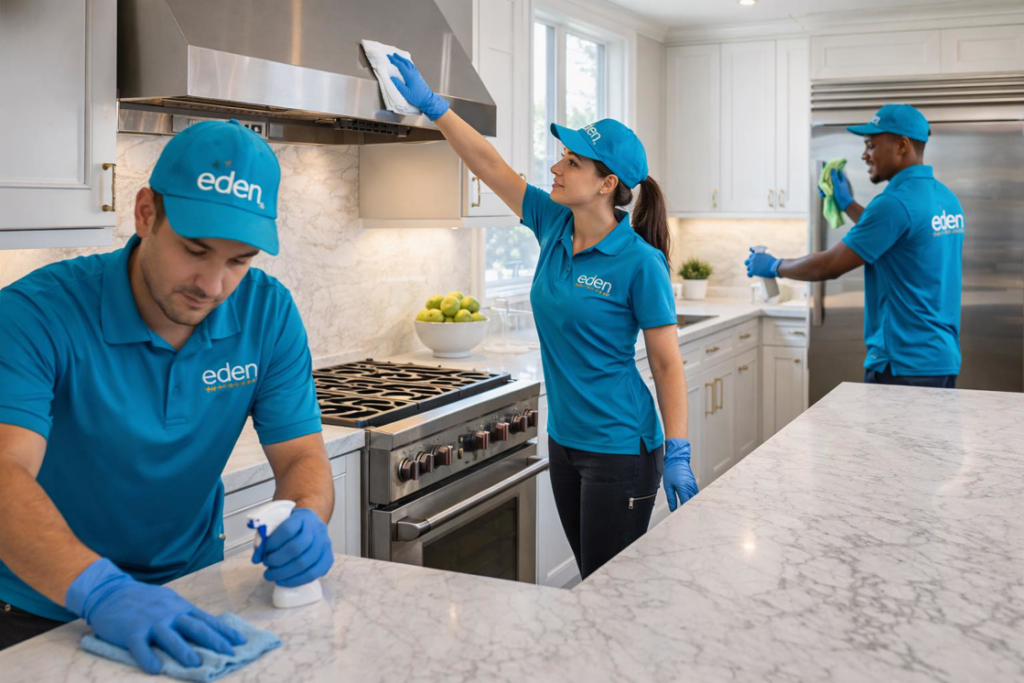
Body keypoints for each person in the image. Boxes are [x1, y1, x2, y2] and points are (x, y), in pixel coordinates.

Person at [0, 120, 335, 671]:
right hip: (41, 608)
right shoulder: (35, 315)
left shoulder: (268, 313)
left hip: (192, 595)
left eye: (238, 260)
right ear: (145, 214)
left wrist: (308, 516)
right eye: (195, 250)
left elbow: (301, 455)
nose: (212, 284)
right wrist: (101, 590)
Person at [387, 54, 698, 580]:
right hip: (567, 442)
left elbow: (667, 364)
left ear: (606, 183)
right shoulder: (554, 223)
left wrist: (678, 450)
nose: (556, 167)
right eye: (562, 156)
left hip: (621, 447)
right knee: (589, 576)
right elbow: (489, 165)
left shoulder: (640, 263)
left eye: (572, 161)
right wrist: (435, 109)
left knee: (610, 593)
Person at [745, 104, 964, 388]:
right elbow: (896, 237)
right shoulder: (945, 198)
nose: (864, 154)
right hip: (940, 359)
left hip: (901, 362)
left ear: (902, 145)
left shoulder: (893, 203)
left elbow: (829, 265)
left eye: (871, 145)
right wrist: (847, 204)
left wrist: (775, 266)